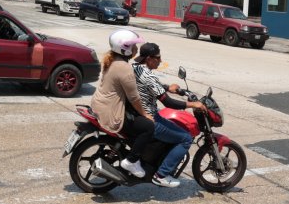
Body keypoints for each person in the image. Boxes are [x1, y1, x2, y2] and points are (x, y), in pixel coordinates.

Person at [131, 42, 207, 188]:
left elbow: (152, 86)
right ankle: (161, 175)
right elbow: (169, 103)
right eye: (158, 58)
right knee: (185, 138)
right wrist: (193, 104)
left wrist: (167, 88)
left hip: (138, 114)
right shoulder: (149, 76)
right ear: (149, 59)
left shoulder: (137, 68)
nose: (160, 61)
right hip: (150, 118)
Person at [88, 30, 154, 177]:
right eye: (134, 46)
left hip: (100, 105)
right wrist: (145, 114)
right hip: (111, 113)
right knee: (148, 127)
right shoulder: (124, 67)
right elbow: (134, 98)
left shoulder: (112, 60)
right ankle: (131, 161)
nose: (137, 49)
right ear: (125, 48)